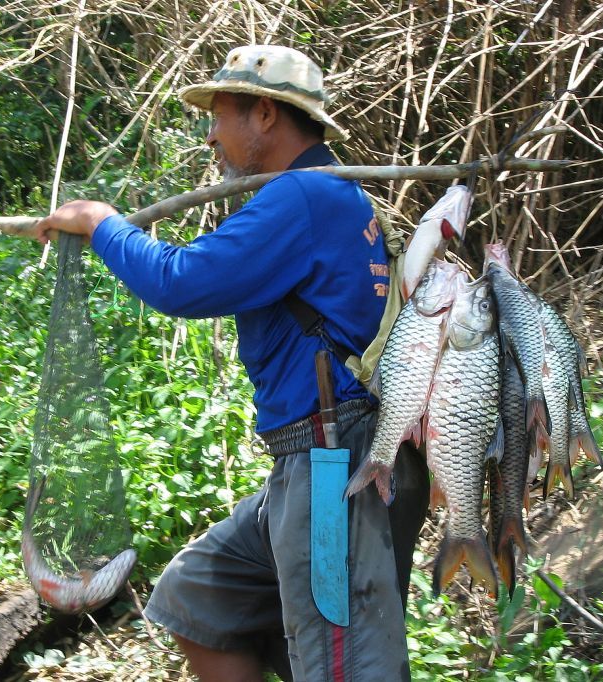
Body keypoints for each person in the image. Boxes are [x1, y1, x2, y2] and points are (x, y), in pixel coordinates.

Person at [34, 44, 429, 682]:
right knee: (199, 597)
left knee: (344, 665)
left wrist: (102, 222)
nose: (212, 135)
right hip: (315, 460)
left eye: (219, 117)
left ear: (266, 115)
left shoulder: (303, 197)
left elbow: (183, 282)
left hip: (333, 466)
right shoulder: (330, 195)